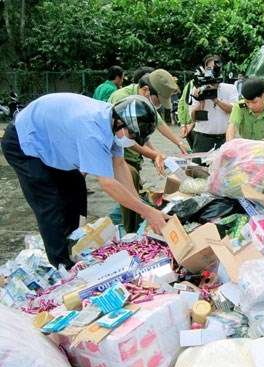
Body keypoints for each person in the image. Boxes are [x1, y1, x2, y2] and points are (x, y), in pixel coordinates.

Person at [1, 93, 170, 269]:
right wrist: (148, 211)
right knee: (49, 203)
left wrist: (142, 208)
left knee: (76, 188)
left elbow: (119, 165)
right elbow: (108, 184)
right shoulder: (92, 131)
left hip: (50, 140)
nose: (133, 140)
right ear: (120, 122)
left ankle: (72, 243)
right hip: (24, 141)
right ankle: (62, 265)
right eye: (133, 135)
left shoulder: (112, 123)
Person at [108, 69, 189, 233]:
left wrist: (178, 143)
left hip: (129, 157)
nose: (158, 105)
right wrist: (154, 154)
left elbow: (152, 129)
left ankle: (132, 230)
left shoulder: (145, 102)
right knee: (128, 197)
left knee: (134, 197)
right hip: (119, 155)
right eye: (157, 100)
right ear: (145, 90)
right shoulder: (122, 99)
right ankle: (128, 233)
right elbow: (126, 137)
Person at [189, 56, 239, 163]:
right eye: (208, 68)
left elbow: (233, 110)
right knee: (198, 172)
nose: (212, 71)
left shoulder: (230, 88)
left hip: (224, 139)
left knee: (225, 172)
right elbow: (193, 117)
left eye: (215, 68)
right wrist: (201, 99)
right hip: (203, 139)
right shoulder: (197, 89)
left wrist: (215, 99)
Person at [226, 78, 264, 145]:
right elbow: (232, 127)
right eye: (247, 102)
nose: (250, 106)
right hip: (244, 149)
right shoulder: (239, 107)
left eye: (254, 102)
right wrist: (230, 145)